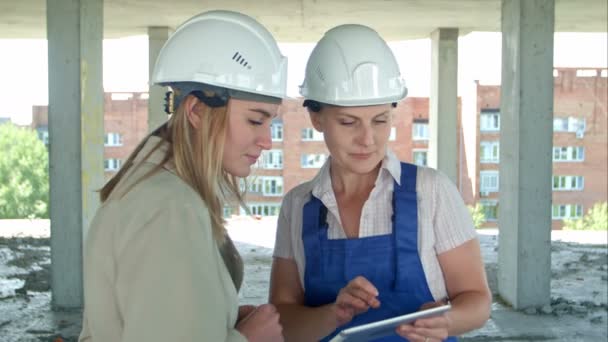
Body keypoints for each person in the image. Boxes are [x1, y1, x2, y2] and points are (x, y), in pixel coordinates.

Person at [269, 24, 491, 342]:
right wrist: (334, 314)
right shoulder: (298, 205)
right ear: (316, 119)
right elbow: (283, 323)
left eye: (380, 120)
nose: (367, 139)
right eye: (348, 122)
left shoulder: (432, 191)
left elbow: (477, 300)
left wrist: (449, 321)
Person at [79, 10, 288, 342]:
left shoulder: (160, 190)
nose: (267, 140)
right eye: (255, 120)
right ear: (196, 111)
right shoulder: (169, 209)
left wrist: (220, 318)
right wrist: (248, 340)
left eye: (270, 122)